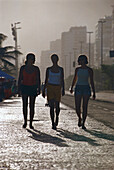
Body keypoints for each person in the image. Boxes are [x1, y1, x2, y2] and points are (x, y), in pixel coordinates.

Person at [70, 55, 96, 130]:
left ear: (85, 61)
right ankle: (79, 117)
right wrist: (72, 87)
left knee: (85, 107)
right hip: (78, 87)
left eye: (82, 60)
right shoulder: (77, 69)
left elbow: (91, 81)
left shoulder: (89, 70)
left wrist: (93, 92)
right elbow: (75, 79)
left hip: (86, 88)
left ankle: (84, 123)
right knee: (77, 107)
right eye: (80, 60)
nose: (81, 61)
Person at [18, 53, 41, 129]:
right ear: (27, 59)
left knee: (32, 106)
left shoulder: (36, 69)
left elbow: (38, 79)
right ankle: (25, 121)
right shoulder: (23, 68)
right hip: (24, 87)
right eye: (30, 58)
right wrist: (19, 89)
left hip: (33, 87)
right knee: (25, 105)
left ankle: (31, 122)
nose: (32, 60)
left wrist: (39, 89)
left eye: (33, 59)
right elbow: (20, 78)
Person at [42, 54, 65, 130]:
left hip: (58, 87)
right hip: (50, 87)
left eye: (55, 59)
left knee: (57, 106)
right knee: (51, 106)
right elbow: (46, 79)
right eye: (53, 59)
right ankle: (53, 123)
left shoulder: (61, 69)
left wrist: (63, 89)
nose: (54, 60)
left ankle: (57, 116)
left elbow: (62, 79)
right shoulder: (48, 69)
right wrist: (43, 90)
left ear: (57, 60)